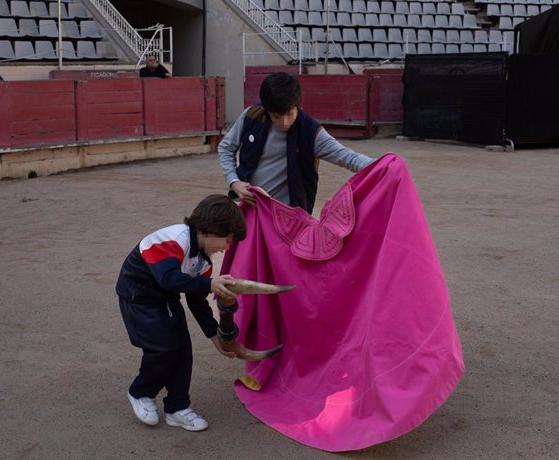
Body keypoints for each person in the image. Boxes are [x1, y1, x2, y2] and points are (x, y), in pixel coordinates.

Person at [116, 194, 246, 431]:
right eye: (226, 240)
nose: (227, 247)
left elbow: (197, 303)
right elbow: (169, 279)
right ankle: (140, 392)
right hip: (138, 297)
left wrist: (215, 338)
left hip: (164, 298)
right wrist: (209, 285)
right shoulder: (175, 239)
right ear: (211, 229)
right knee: (164, 347)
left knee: (183, 350)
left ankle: (177, 407)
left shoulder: (204, 262)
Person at [218, 71, 375, 214]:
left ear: (297, 106)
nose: (284, 122)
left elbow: (348, 158)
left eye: (289, 114)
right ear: (267, 110)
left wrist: (386, 165)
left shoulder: (311, 132)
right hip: (249, 208)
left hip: (289, 217)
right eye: (276, 116)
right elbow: (226, 148)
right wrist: (234, 182)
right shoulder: (252, 116)